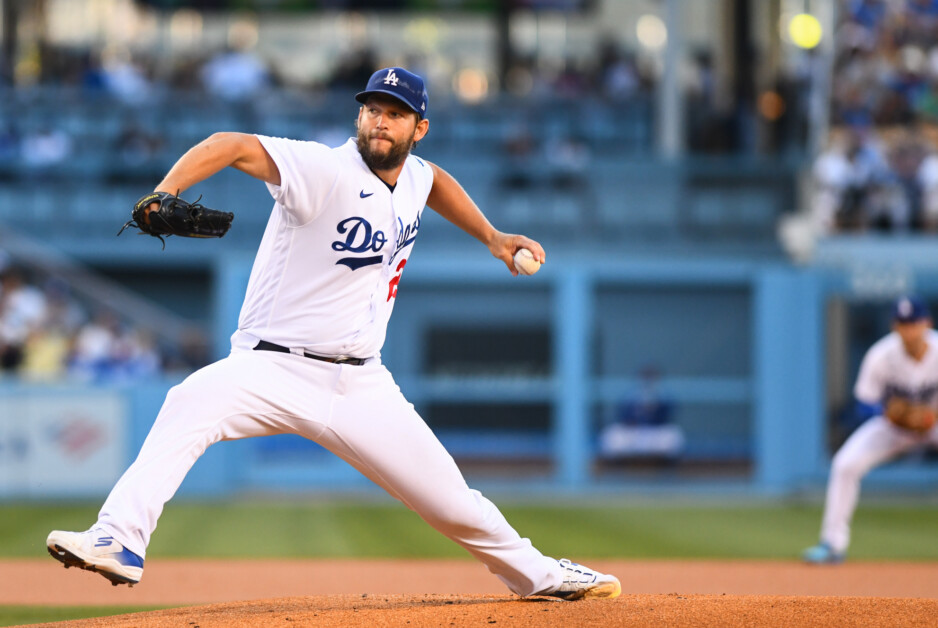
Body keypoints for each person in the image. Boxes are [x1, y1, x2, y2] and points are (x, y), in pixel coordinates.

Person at [45, 67, 621, 601]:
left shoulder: (415, 176)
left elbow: (435, 181)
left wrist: (493, 236)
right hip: (271, 367)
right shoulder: (323, 169)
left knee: (451, 502)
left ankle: (540, 576)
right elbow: (233, 144)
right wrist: (166, 190)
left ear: (419, 128)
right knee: (187, 402)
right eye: (372, 108)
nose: (379, 120)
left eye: (394, 113)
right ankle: (118, 539)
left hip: (362, 385)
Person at [803, 296, 938, 564]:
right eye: (903, 324)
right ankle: (832, 544)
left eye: (913, 323)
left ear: (927, 324)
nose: (909, 330)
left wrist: (929, 416)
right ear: (894, 327)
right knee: (845, 464)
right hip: (893, 427)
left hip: (934, 424)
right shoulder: (880, 355)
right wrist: (887, 413)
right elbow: (863, 403)